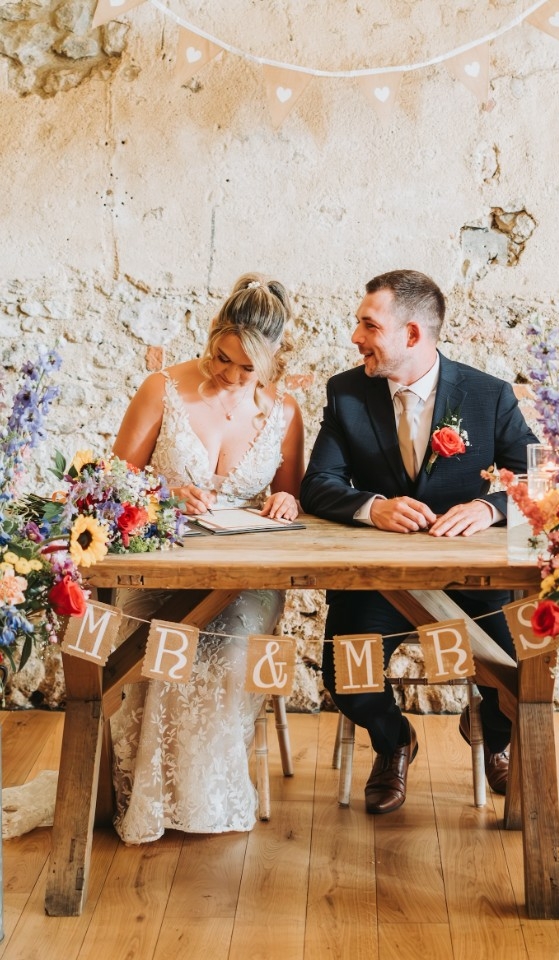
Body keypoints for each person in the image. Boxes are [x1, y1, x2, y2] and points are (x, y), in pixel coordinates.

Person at [300, 269, 538, 815]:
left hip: (474, 590)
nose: (355, 337)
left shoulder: (488, 395)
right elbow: (318, 484)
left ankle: (491, 734)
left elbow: (541, 478)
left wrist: (488, 506)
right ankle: (393, 742)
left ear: (411, 335)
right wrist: (372, 507)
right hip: (376, 588)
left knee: (521, 676)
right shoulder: (347, 393)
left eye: (368, 325)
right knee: (348, 677)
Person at [109, 273, 304, 843]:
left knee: (225, 646)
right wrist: (163, 494)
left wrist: (286, 498)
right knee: (162, 639)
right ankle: (144, 796)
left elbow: (292, 496)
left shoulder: (285, 412)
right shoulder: (162, 388)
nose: (232, 376)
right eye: (224, 359)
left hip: (248, 575)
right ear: (213, 335)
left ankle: (201, 796)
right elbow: (113, 481)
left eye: (250, 370)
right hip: (162, 561)